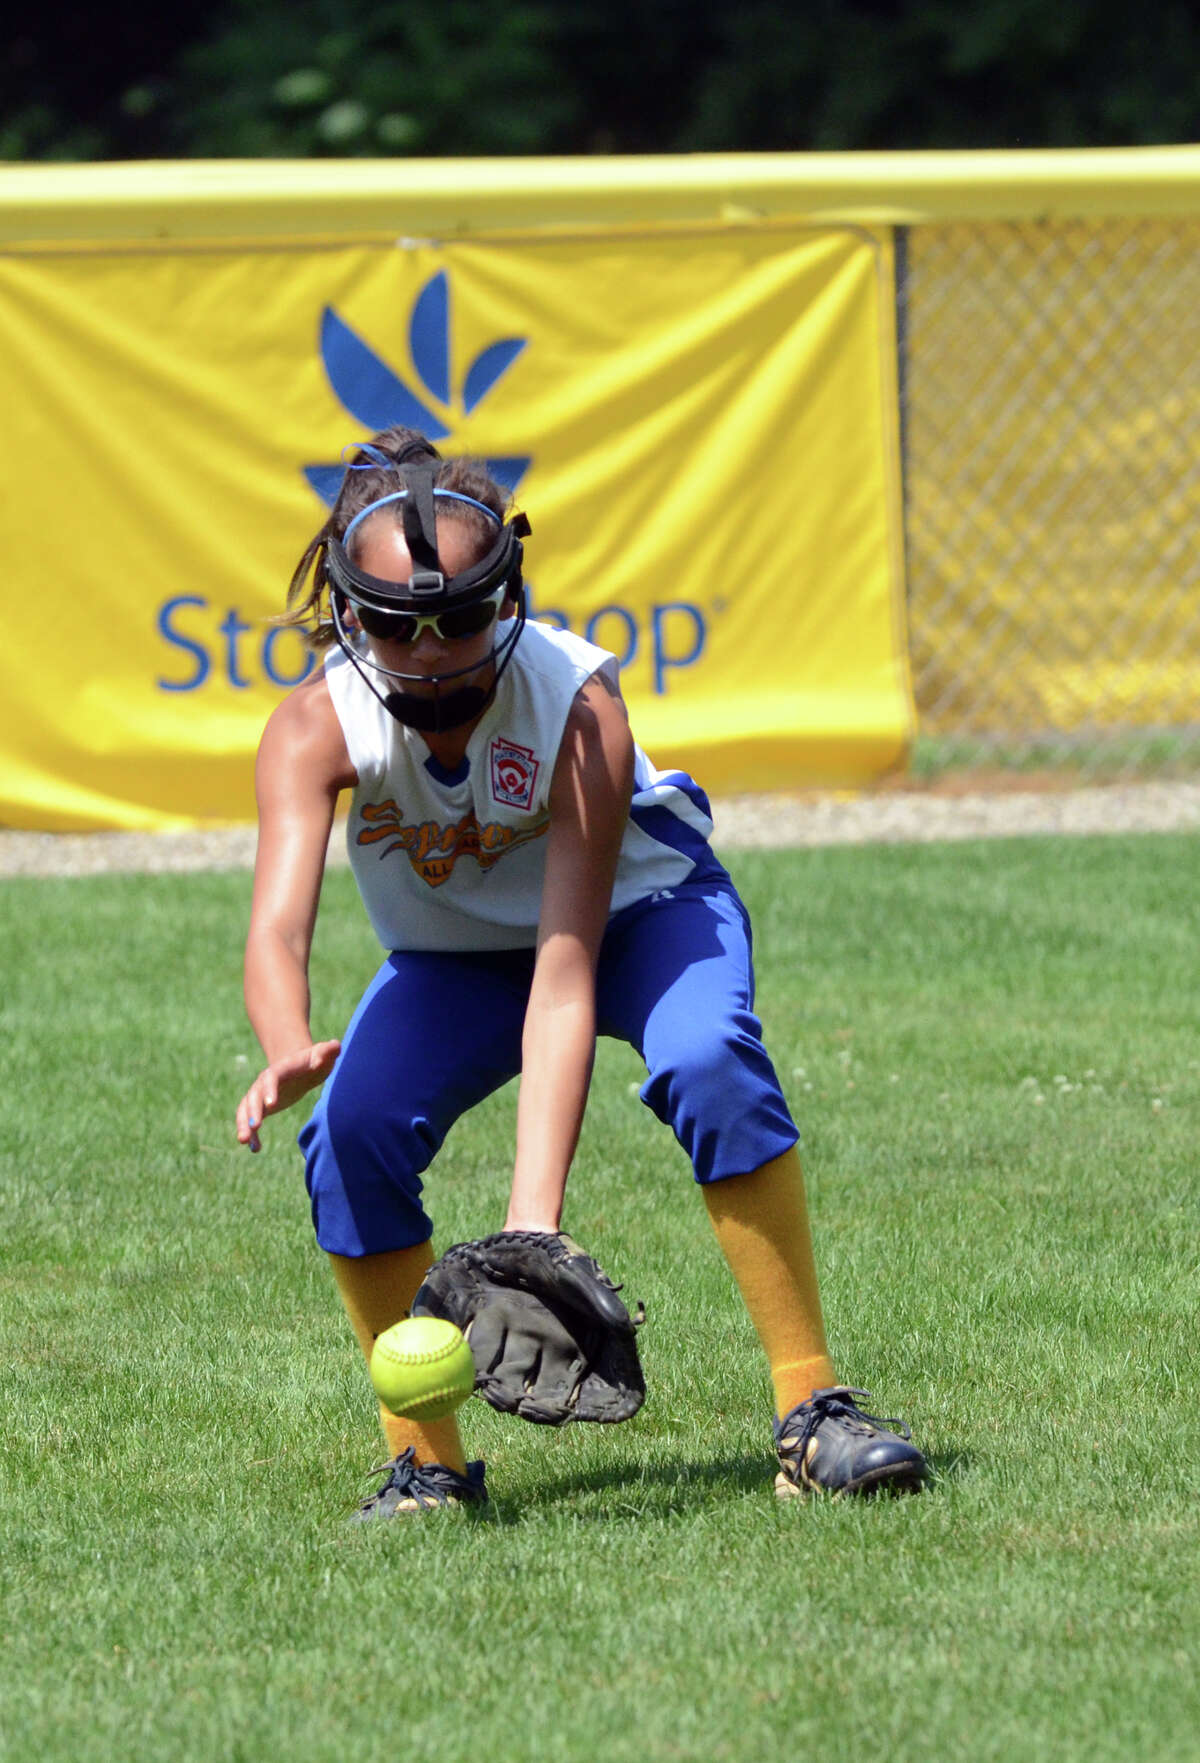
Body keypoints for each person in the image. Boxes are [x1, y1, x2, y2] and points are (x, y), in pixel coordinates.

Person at [234, 426, 928, 1518]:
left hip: (639, 914)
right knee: (350, 1130)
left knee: (707, 1056)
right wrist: (285, 1043)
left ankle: (813, 1412)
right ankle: (428, 1467)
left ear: (510, 592)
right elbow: (276, 932)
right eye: (397, 625)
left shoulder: (577, 701)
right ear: (346, 609)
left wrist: (530, 1226)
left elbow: (567, 963)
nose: (430, 651)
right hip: (458, 953)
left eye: (460, 616)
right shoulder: (313, 726)